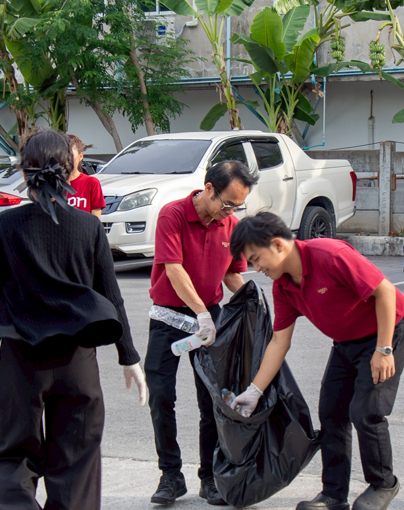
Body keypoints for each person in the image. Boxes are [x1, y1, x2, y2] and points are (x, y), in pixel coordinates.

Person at [0, 130, 147, 510]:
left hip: (21, 359)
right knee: (76, 460)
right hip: (77, 361)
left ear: (23, 171)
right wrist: (128, 356)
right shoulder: (89, 227)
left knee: (14, 455)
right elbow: (111, 297)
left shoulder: (5, 226)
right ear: (70, 167)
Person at [229, 211, 404, 510]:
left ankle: (383, 483)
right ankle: (333, 495)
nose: (257, 268)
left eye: (256, 259)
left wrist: (383, 350)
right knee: (331, 413)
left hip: (388, 331)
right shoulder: (283, 286)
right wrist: (254, 391)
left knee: (366, 411)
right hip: (345, 343)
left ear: (277, 244)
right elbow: (279, 341)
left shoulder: (330, 255)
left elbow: (384, 292)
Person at [145, 160, 258, 506]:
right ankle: (170, 474)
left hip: (210, 319)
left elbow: (232, 274)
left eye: (237, 206)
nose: (230, 211)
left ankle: (209, 476)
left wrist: (252, 301)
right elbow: (174, 269)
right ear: (209, 188)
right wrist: (200, 314)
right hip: (169, 318)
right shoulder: (173, 215)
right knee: (161, 396)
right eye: (227, 203)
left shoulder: (230, 225)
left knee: (212, 399)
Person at [66, 133, 105, 217]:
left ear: (80, 156)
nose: (67, 158)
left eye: (71, 154)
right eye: (63, 154)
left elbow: (95, 219)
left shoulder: (92, 183)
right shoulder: (53, 183)